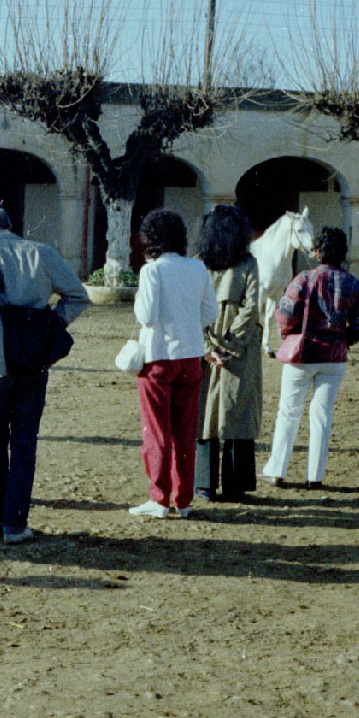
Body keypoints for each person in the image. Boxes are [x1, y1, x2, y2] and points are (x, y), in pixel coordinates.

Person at [0, 202, 89, 544]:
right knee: (25, 441)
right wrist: (51, 326)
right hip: (34, 360)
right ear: (9, 224)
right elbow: (77, 295)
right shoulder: (42, 253)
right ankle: (16, 523)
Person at [261, 226, 359, 489]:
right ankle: (315, 476)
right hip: (334, 357)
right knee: (322, 416)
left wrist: (289, 333)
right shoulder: (353, 284)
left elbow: (286, 314)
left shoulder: (303, 279)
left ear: (318, 250)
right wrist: (346, 338)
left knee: (288, 412)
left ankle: (277, 470)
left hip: (303, 353)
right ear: (343, 253)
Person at [127, 210, 218, 520]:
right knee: (185, 431)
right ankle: (183, 499)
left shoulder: (151, 271)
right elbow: (210, 313)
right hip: (191, 358)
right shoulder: (197, 268)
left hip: (158, 358)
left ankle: (159, 498)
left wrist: (139, 298)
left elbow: (146, 316)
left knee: (157, 433)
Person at [194, 205, 263, 502]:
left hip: (204, 347)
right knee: (239, 411)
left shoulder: (197, 264)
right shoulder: (249, 264)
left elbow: (193, 311)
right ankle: (236, 484)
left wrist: (210, 348)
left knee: (205, 413)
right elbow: (251, 308)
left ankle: (204, 484)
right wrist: (232, 346)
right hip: (241, 349)